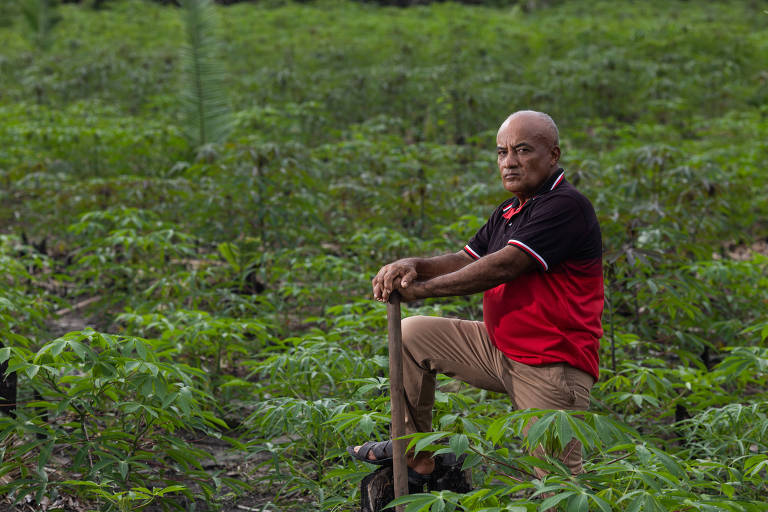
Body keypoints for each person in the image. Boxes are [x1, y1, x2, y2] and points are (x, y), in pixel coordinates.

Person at [348, 110, 603, 484]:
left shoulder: (566, 206)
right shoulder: (510, 210)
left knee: (557, 485)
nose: (509, 162)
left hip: (551, 364)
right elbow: (464, 259)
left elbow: (502, 266)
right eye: (502, 153)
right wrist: (413, 265)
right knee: (412, 335)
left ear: (554, 155)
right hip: (500, 348)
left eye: (522, 150)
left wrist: (422, 291)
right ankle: (415, 453)